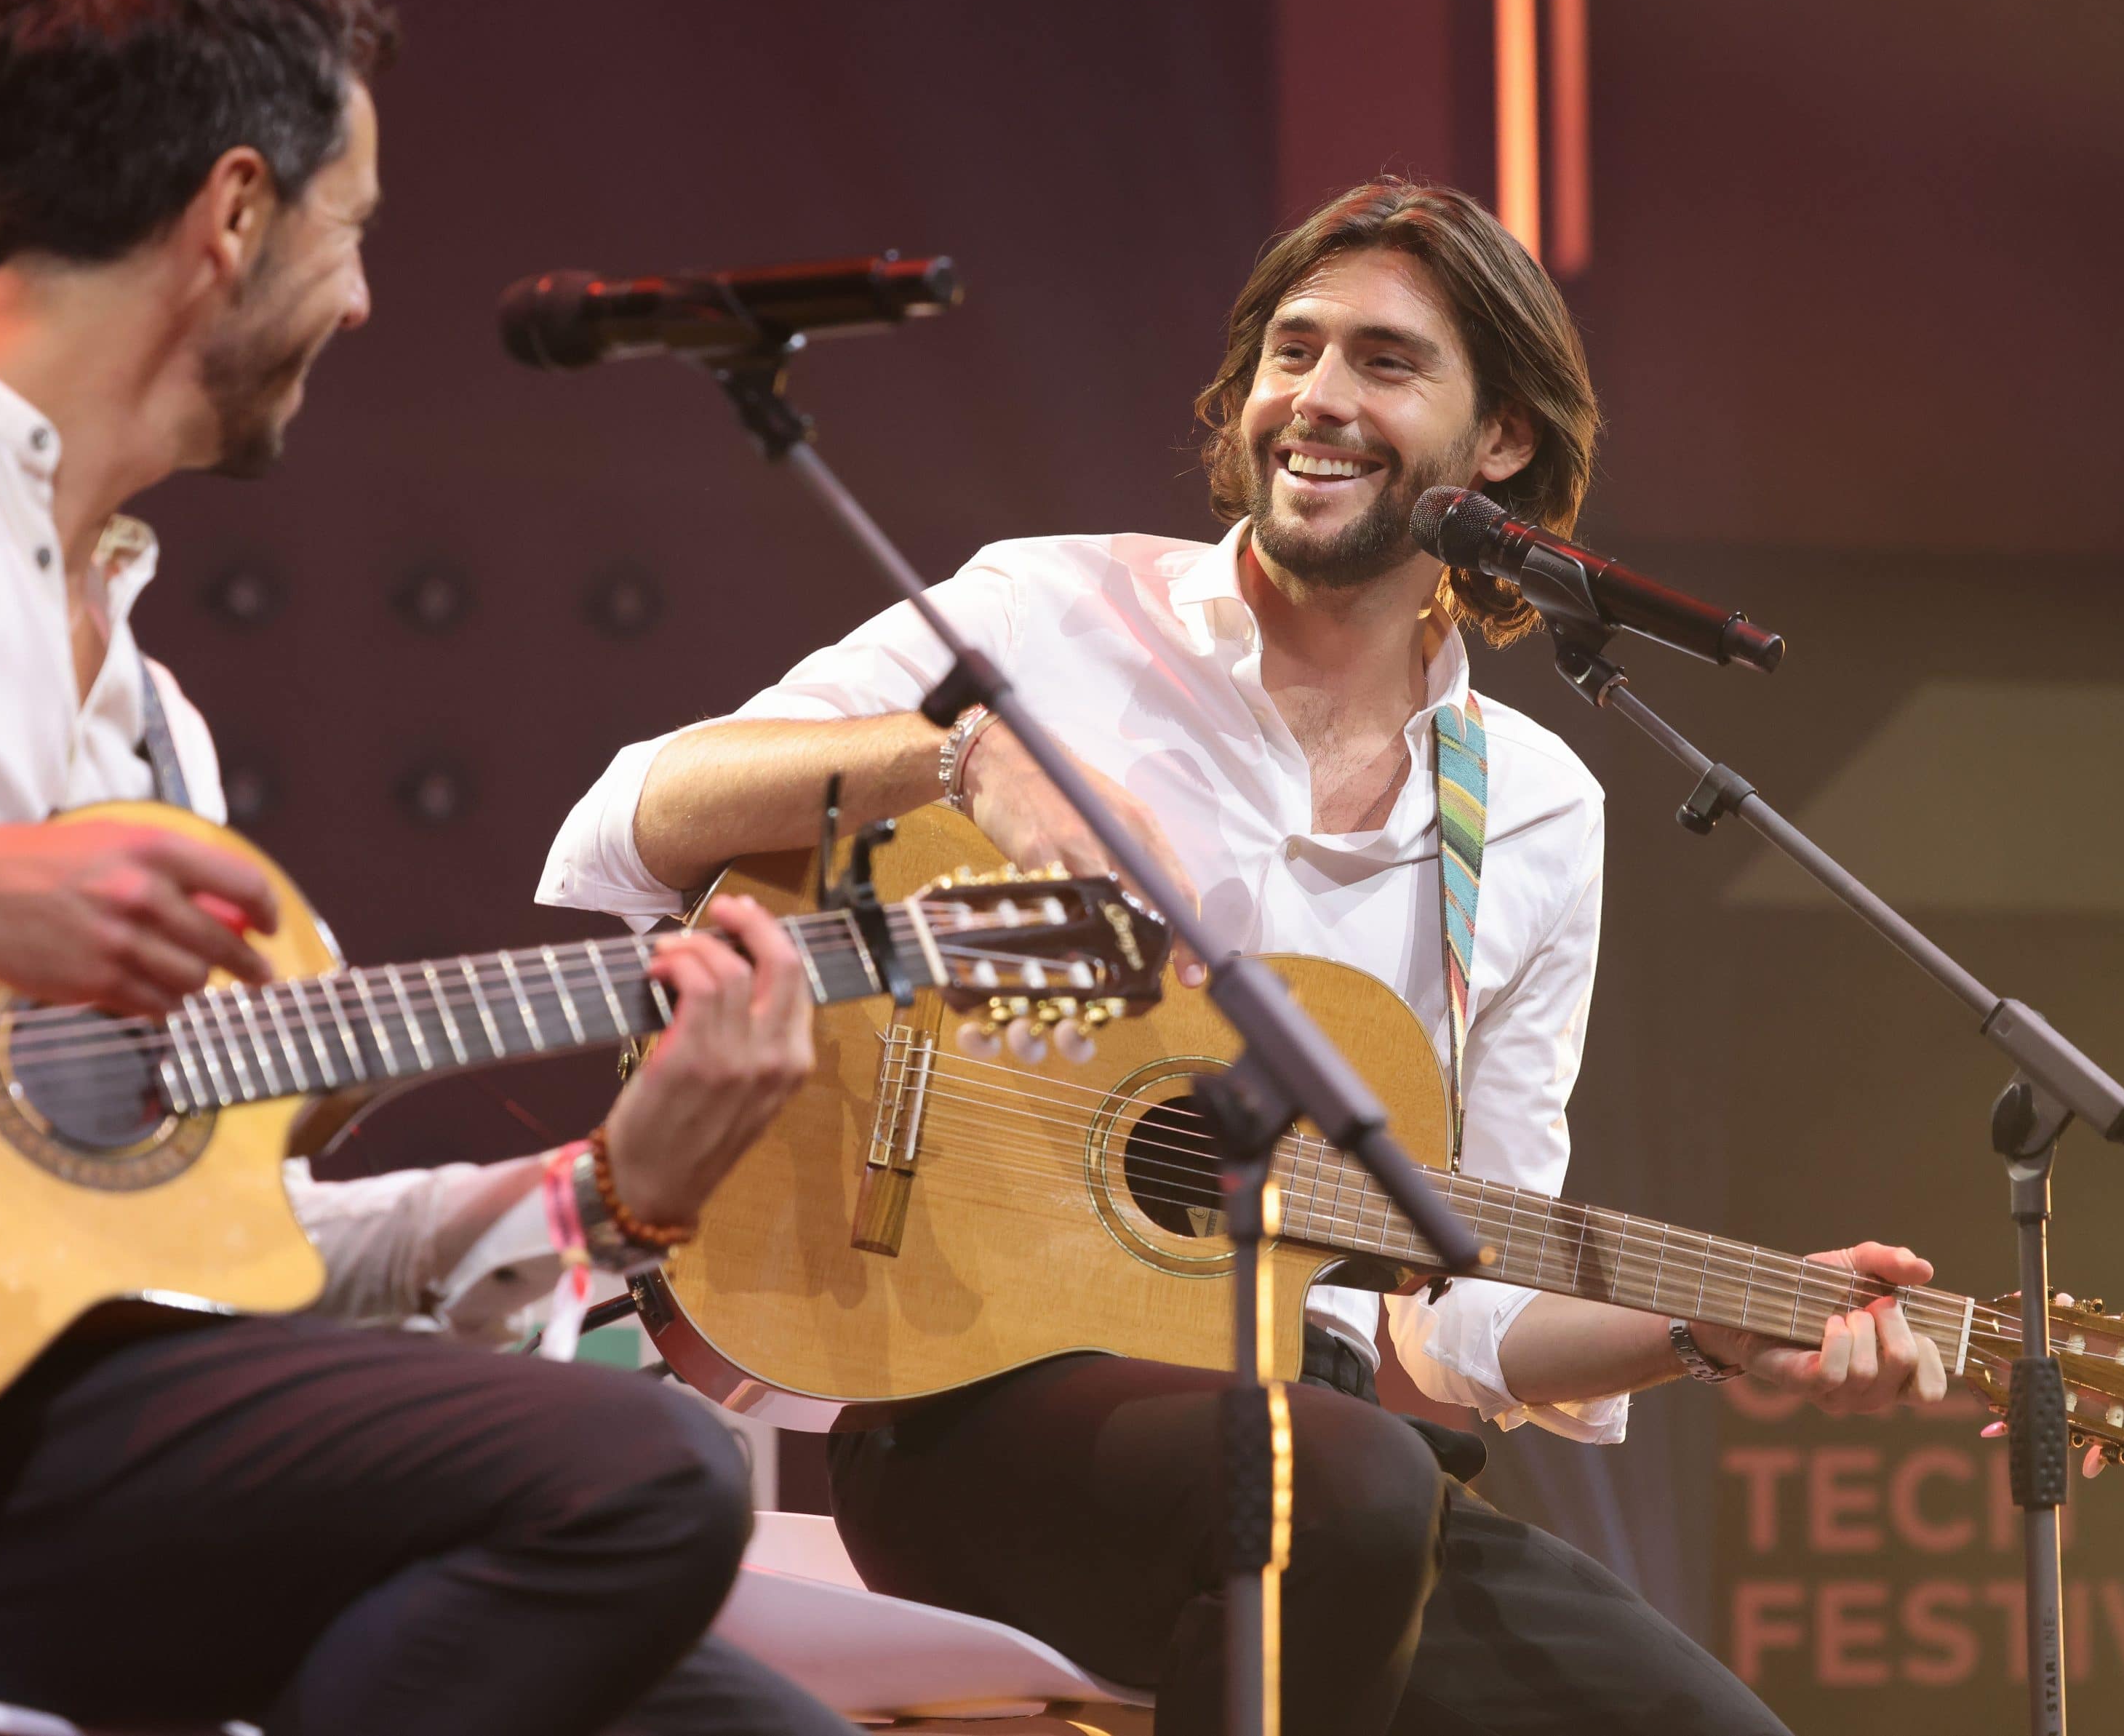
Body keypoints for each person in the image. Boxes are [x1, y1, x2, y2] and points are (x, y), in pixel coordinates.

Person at [0, 0, 850, 1736]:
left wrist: (611, 1192)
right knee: (642, 1476)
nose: (359, 304)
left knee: (752, 1720)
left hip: (46, 1441)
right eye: (354, 232)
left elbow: (223, 1260)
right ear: (235, 214)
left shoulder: (151, 729)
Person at [541, 176, 1952, 1734]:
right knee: (1343, 1490)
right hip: (981, 1409)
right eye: (1295, 349)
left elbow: (1463, 1310)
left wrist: (1710, 1325)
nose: (1319, 398)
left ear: (1503, 442)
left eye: (1386, 363)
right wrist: (958, 756)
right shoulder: (1052, 611)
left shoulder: (1536, 807)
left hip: (1337, 1459)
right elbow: (630, 818)